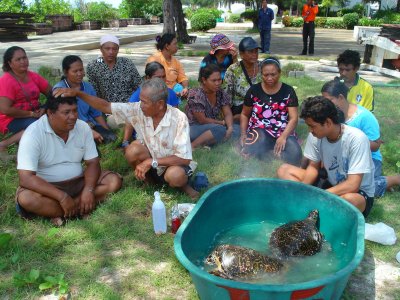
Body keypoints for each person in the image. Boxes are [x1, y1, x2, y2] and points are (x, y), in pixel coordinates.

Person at [53, 78, 199, 199]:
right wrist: (78, 94)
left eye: (145, 102)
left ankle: (184, 186)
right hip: (153, 165)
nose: (140, 105)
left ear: (160, 104)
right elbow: (106, 106)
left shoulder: (179, 118)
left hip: (172, 165)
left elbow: (184, 158)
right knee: (132, 150)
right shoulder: (138, 109)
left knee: (176, 176)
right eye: (141, 100)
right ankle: (149, 183)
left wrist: (151, 161)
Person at [16, 96, 122, 226]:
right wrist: (62, 197)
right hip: (48, 188)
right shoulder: (33, 134)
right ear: (50, 113)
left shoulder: (82, 127)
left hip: (78, 182)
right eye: (66, 112)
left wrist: (88, 190)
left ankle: (60, 212)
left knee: (113, 181)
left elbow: (93, 163)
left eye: (75, 111)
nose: (73, 116)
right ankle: (80, 208)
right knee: (27, 199)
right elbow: (26, 178)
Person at [277, 96, 375, 217]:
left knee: (350, 200)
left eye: (312, 126)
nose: (309, 130)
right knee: (284, 170)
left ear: (328, 122)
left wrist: (319, 196)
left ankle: (319, 209)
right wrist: (303, 192)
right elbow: (313, 167)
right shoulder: (315, 136)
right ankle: (318, 208)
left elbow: (353, 185)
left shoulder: (357, 139)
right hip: (330, 184)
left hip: (357, 193)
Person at [321, 79, 400, 197]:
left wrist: (353, 141)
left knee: (360, 188)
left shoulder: (364, 116)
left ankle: (394, 180)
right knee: (338, 181)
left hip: (370, 159)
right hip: (342, 157)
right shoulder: (330, 116)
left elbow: (375, 146)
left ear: (341, 97)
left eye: (329, 100)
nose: (324, 104)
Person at [240, 57, 302, 165]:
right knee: (254, 145)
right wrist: (243, 134)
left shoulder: (288, 91)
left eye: (273, 74)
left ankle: (268, 152)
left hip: (282, 131)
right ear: (261, 74)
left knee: (296, 155)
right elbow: (245, 114)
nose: (269, 78)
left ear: (279, 73)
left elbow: (294, 118)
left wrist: (283, 137)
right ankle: (270, 152)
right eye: (266, 75)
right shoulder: (254, 90)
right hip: (260, 130)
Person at [0, 46, 51, 160]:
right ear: (10, 63)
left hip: (34, 113)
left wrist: (45, 108)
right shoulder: (6, 81)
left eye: (24, 58)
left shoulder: (33, 76)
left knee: (56, 117)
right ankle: (3, 144)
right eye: (18, 59)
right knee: (38, 125)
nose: (23, 61)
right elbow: (5, 110)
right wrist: (31, 114)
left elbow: (52, 93)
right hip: (9, 118)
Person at [54, 55, 116, 144]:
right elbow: (63, 118)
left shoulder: (88, 87)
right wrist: (89, 132)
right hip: (71, 128)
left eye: (81, 70)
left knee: (111, 138)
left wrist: (106, 129)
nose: (79, 74)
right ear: (65, 72)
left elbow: (96, 113)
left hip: (90, 125)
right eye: (75, 71)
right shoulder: (60, 90)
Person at [121, 62, 180, 149]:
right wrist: (125, 142)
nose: (162, 80)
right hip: (144, 134)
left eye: (163, 76)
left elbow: (175, 118)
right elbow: (130, 120)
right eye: (158, 77)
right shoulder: (138, 95)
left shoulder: (170, 93)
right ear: (147, 78)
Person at [186, 64, 239, 149]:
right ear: (204, 80)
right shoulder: (195, 94)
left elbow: (228, 113)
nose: (217, 83)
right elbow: (202, 120)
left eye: (219, 80)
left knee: (238, 129)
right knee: (220, 130)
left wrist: (230, 127)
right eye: (214, 80)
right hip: (194, 128)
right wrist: (221, 123)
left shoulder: (220, 93)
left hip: (212, 126)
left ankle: (208, 142)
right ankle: (192, 147)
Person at [86, 34, 142, 104]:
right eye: (107, 48)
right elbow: (94, 92)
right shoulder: (93, 66)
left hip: (130, 106)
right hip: (107, 108)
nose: (111, 52)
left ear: (118, 50)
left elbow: (139, 86)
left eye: (114, 49)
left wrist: (133, 102)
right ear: (101, 49)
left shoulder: (127, 63)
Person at [222, 37, 262, 122]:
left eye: (256, 51)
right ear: (241, 54)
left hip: (261, 107)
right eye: (251, 52)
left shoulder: (263, 67)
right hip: (240, 108)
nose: (254, 54)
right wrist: (229, 118)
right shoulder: (233, 70)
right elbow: (226, 98)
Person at [146, 33, 189, 98]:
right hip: (158, 90)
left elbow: (183, 78)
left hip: (175, 90)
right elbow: (151, 81)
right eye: (175, 44)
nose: (177, 46)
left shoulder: (176, 62)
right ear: (167, 46)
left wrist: (185, 88)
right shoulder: (154, 59)